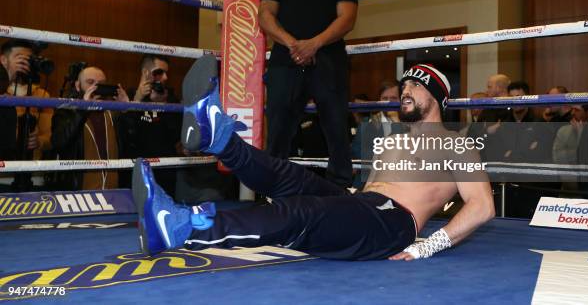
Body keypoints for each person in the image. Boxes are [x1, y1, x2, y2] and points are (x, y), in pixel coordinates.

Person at [133, 57, 494, 261]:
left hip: (393, 224)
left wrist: (426, 247)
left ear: (439, 98)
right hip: (363, 207)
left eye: (417, 86)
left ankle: (181, 226)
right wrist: (348, 202)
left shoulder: (456, 146)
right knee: (290, 177)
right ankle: (222, 140)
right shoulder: (391, 143)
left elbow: (482, 207)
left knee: (303, 212)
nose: (405, 91)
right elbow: (367, 194)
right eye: (405, 85)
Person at [258, 0, 359, 187]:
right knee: (278, 125)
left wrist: (314, 43)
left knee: (336, 125)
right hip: (285, 59)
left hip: (328, 58)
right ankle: (273, 188)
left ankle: (340, 187)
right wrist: (294, 44)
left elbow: (347, 18)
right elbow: (265, 16)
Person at [51, 66, 129, 190]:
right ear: (78, 86)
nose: (96, 88)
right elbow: (59, 144)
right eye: (90, 82)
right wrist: (83, 110)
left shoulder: (113, 113)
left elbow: (132, 145)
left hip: (113, 193)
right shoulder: (66, 112)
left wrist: (126, 111)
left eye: (101, 84)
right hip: (78, 194)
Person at [117, 55, 182, 195]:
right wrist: (137, 101)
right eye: (159, 72)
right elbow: (125, 137)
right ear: (145, 73)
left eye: (166, 73)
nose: (165, 78)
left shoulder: (170, 99)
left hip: (164, 173)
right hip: (136, 172)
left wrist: (162, 107)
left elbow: (175, 136)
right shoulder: (129, 96)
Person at [1, 39, 53, 190]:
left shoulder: (42, 95)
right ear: (3, 60)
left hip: (33, 175)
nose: (25, 63)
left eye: (29, 59)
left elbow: (50, 136)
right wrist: (8, 76)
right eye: (20, 58)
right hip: (3, 173)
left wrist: (39, 141)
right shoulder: (2, 92)